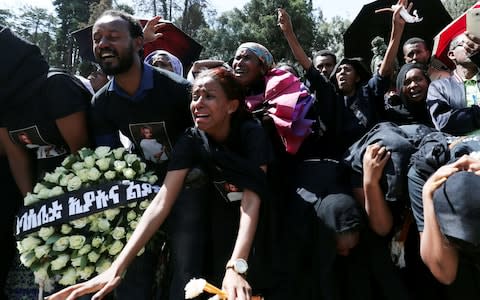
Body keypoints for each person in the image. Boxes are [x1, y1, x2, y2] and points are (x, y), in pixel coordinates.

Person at [47, 67, 273, 300]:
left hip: (262, 224)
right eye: (195, 97)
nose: (198, 103)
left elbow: (251, 200)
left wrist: (236, 266)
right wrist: (118, 266)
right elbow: (163, 200)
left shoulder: (252, 133)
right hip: (220, 222)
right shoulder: (191, 138)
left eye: (209, 96)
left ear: (232, 106)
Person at [86, 10, 211, 300]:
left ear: (139, 42)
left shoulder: (180, 90)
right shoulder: (101, 102)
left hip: (189, 185)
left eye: (113, 37)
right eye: (97, 38)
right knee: (131, 268)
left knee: (186, 268)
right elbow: (111, 158)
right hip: (139, 189)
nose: (103, 43)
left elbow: (204, 146)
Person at [0, 26, 92, 298]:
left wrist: (68, 204)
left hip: (81, 192)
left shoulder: (55, 86)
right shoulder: (3, 101)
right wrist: (31, 205)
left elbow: (82, 152)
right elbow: (16, 155)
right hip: (42, 193)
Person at [278, 3, 401, 159]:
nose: (342, 72)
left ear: (357, 77)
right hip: (344, 159)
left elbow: (385, 68)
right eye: (339, 70)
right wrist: (288, 32)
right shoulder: (330, 95)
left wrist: (397, 28)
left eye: (347, 69)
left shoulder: (368, 90)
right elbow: (306, 63)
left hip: (376, 150)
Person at [427, 33, 480, 135]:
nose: (472, 48)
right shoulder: (440, 87)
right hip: (463, 147)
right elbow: (443, 122)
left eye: (474, 44)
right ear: (452, 54)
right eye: (465, 44)